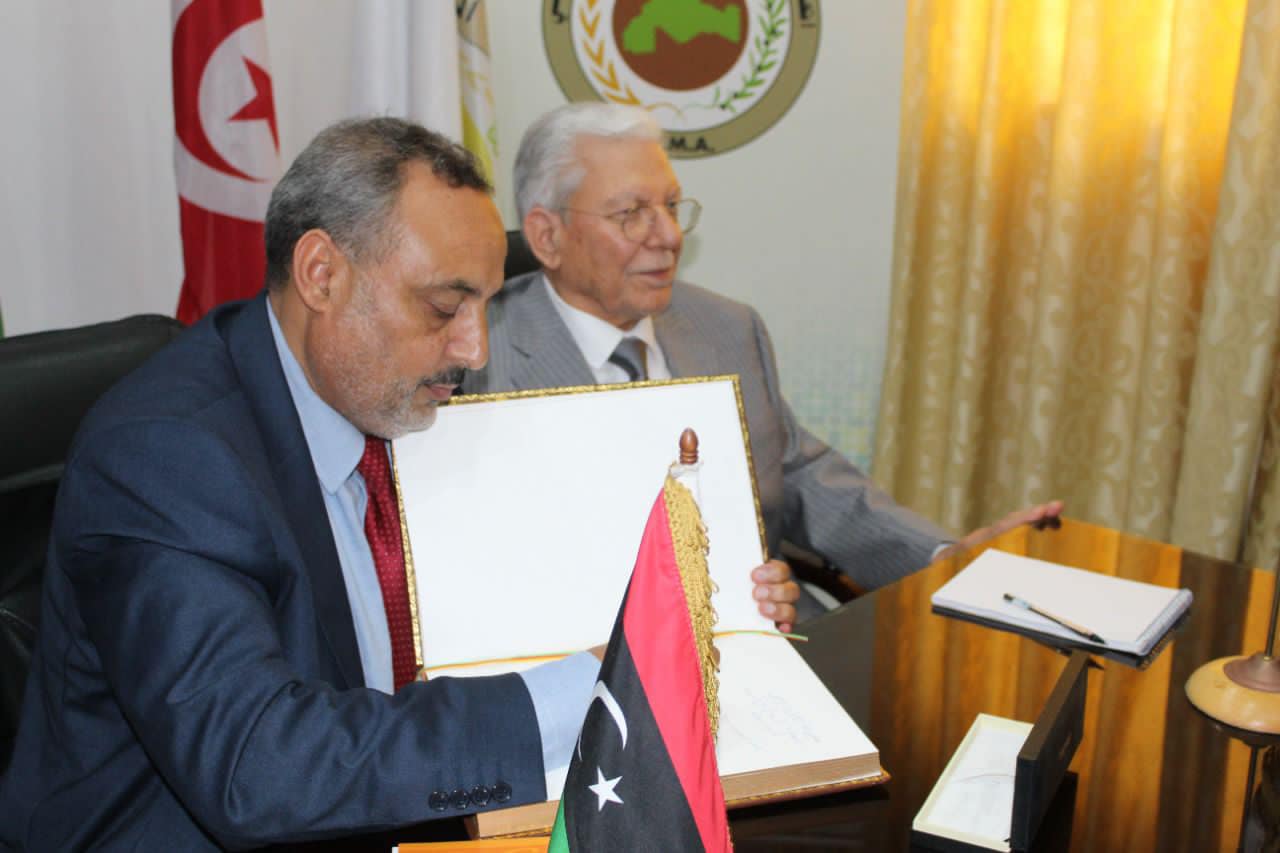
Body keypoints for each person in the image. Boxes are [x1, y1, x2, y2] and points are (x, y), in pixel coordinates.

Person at [0, 118, 598, 850]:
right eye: (444, 307)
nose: (474, 349)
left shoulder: (392, 399)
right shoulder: (166, 457)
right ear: (321, 274)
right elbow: (257, 766)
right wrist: (564, 701)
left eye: (487, 305)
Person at [461, 103, 1062, 631]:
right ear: (547, 236)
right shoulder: (479, 361)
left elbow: (799, 474)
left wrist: (946, 558)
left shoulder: (725, 329)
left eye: (670, 206)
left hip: (766, 635)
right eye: (632, 213)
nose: (667, 235)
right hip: (587, 665)